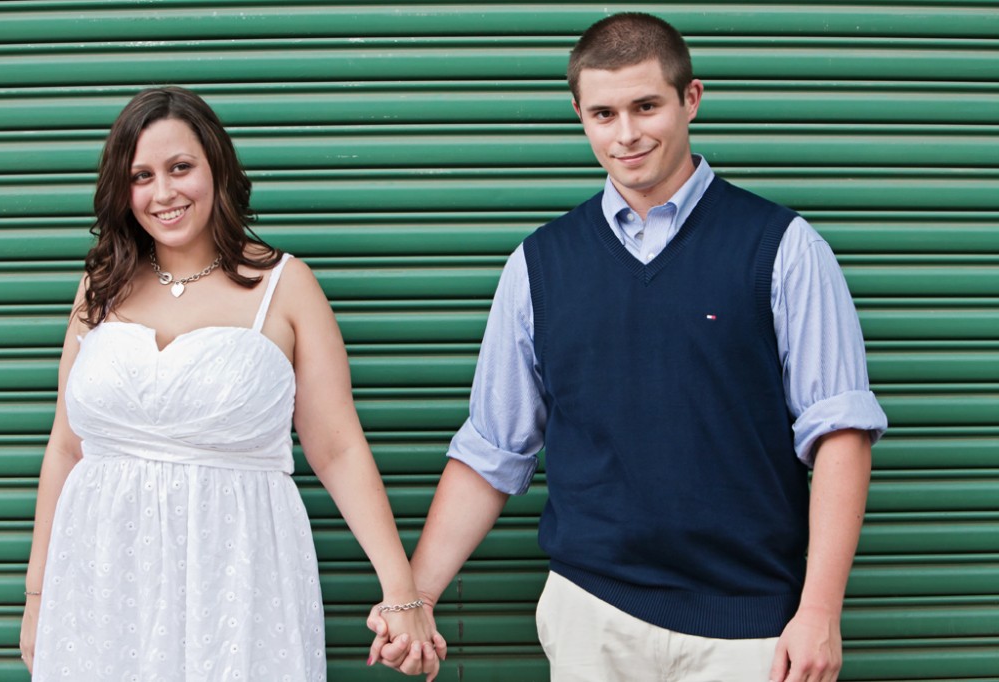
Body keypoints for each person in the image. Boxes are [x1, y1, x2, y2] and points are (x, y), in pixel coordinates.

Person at [369, 12, 888, 682]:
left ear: (690, 98)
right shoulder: (540, 265)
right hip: (593, 614)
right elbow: (493, 450)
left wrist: (819, 611)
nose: (626, 134)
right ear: (580, 115)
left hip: (750, 626)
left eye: (646, 106)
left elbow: (840, 432)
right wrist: (418, 596)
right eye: (603, 114)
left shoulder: (782, 247)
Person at [19, 86, 440, 681]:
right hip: (99, 578)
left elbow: (337, 447)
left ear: (217, 167)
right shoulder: (99, 286)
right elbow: (66, 445)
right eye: (141, 175)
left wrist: (402, 593)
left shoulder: (286, 286)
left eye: (180, 167)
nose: (163, 193)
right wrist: (38, 598)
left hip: (238, 573)